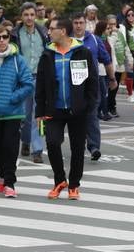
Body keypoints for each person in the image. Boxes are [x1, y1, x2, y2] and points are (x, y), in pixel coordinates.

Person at [35, 16, 98, 200]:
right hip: (54, 109)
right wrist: (40, 111)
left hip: (78, 109)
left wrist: (89, 105)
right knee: (53, 143)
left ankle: (74, 184)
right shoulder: (47, 54)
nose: (48, 32)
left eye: (51, 28)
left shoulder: (82, 52)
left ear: (62, 31)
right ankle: (60, 180)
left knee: (78, 148)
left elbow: (92, 82)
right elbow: (40, 85)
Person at [0, 24, 35, 199]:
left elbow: (28, 84)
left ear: (9, 38)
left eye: (5, 37)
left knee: (10, 147)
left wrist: (13, 98)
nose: (2, 40)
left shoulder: (19, 60)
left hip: (13, 112)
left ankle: (10, 183)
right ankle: (3, 175)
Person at [72, 12, 112, 161]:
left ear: (85, 24)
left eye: (81, 23)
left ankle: (94, 147)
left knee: (92, 116)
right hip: (73, 86)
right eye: (75, 23)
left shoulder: (94, 40)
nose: (78, 26)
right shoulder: (66, 41)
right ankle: (78, 144)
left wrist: (112, 78)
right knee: (75, 117)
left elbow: (106, 60)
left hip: (91, 85)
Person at [14, 2, 48, 163]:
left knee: (37, 115)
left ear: (35, 16)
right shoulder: (15, 34)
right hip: (23, 79)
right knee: (25, 115)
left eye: (32, 14)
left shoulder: (42, 33)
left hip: (40, 78)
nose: (29, 17)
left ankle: (37, 149)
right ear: (21, 16)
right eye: (26, 14)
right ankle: (25, 141)